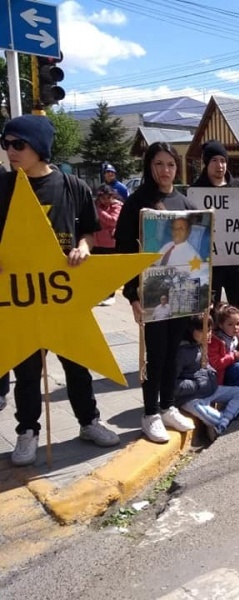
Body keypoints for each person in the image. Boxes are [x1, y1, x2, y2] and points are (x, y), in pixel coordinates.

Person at [0, 115, 120, 466]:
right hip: (22, 297)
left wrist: (83, 248)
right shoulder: (3, 187)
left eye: (18, 144)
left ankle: (88, 422)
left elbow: (89, 231)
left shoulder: (72, 186)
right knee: (25, 372)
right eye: (6, 144)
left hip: (64, 295)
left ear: (39, 147)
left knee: (78, 364)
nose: (10, 151)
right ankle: (27, 432)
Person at [116, 142, 198, 443]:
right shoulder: (137, 203)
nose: (166, 170)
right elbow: (123, 251)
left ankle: (167, 406)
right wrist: (132, 296)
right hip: (150, 293)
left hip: (181, 293)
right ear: (150, 166)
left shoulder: (186, 204)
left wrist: (201, 292)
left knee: (174, 353)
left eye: (171, 164)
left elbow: (200, 251)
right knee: (155, 354)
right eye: (159, 164)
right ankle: (149, 413)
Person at [191, 140, 239, 311]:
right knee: (209, 312)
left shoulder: (238, 188)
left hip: (236, 261)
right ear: (206, 163)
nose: (220, 165)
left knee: (238, 311)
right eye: (215, 160)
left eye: (223, 160)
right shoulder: (196, 191)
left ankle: (236, 337)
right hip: (210, 264)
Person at [174, 315, 239, 441]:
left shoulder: (200, 346)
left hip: (209, 390)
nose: (208, 334)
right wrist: (197, 385)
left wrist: (210, 379)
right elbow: (172, 385)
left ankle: (223, 421)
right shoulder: (180, 353)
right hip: (190, 398)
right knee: (215, 417)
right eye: (202, 330)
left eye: (209, 330)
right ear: (191, 331)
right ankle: (222, 422)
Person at [93, 184, 124, 306]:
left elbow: (113, 221)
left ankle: (111, 295)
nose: (105, 200)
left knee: (110, 270)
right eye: (103, 198)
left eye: (108, 197)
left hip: (110, 243)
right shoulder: (96, 206)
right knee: (98, 270)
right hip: (96, 242)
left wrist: (99, 212)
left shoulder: (117, 206)